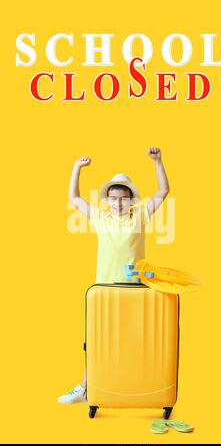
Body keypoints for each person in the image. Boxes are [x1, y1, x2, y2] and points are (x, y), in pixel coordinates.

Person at [58, 147, 170, 404]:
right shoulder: (100, 217)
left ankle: (136, 388)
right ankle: (85, 387)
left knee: (135, 341)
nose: (118, 203)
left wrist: (157, 162)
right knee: (97, 339)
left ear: (131, 200)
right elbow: (74, 198)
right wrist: (77, 166)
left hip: (135, 290)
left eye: (123, 199)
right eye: (113, 199)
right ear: (107, 201)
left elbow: (163, 191)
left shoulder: (140, 215)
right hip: (104, 289)